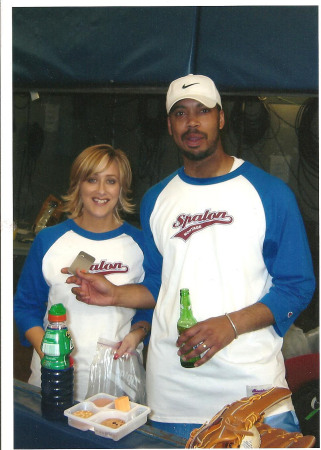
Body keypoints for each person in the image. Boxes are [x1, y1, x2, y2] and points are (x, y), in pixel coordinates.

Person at [63, 75, 315, 438]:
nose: (192, 122)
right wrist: (115, 294)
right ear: (169, 125)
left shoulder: (270, 194)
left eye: (203, 111)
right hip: (173, 395)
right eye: (180, 113)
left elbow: (297, 287)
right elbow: (157, 283)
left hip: (252, 392)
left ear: (221, 118)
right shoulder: (156, 199)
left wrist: (229, 325)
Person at [14, 144, 151, 401]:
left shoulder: (141, 244)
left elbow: (150, 305)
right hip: (53, 381)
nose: (101, 190)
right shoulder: (49, 240)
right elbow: (25, 307)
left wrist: (138, 333)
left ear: (122, 188)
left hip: (117, 385)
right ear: (78, 184)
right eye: (92, 179)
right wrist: (51, 357)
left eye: (111, 181)